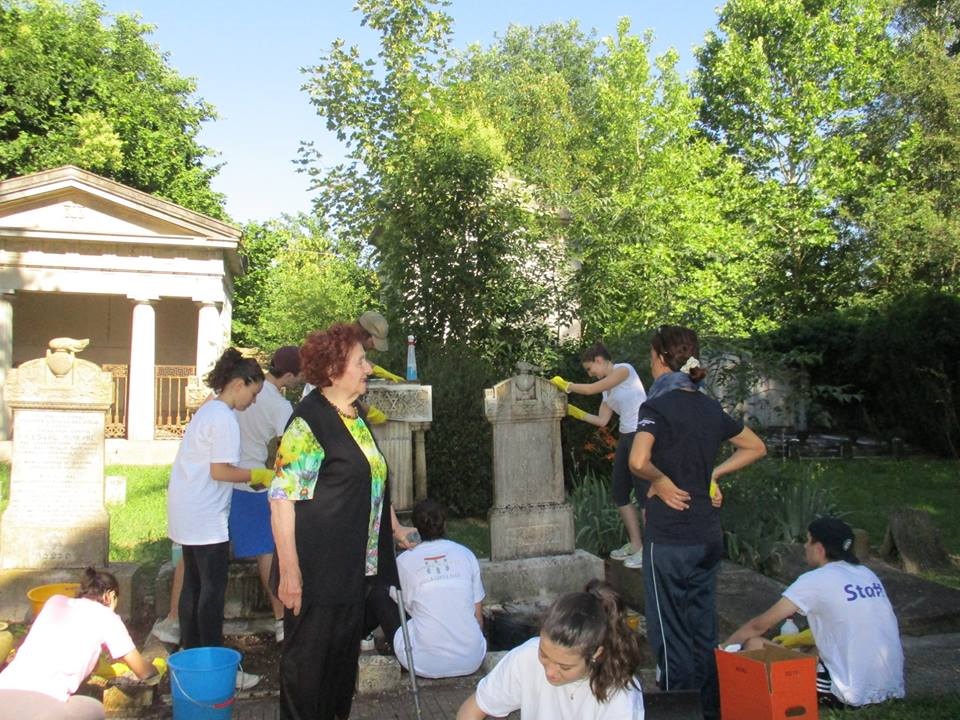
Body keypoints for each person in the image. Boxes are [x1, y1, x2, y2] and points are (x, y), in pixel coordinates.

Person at [269, 322, 412, 720]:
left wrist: (395, 527)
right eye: (360, 361)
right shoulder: (308, 422)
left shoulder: (354, 415)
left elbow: (374, 477)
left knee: (339, 670)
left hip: (354, 571)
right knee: (307, 671)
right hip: (316, 571)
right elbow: (281, 500)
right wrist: (290, 573)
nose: (368, 368)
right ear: (334, 369)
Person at [629, 325, 766, 720]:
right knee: (703, 633)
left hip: (670, 539)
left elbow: (639, 461)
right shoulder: (708, 406)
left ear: (658, 358)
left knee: (670, 636)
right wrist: (714, 475)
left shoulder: (656, 407)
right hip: (707, 536)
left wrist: (659, 480)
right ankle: (709, 711)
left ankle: (677, 713)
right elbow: (755, 446)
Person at [166, 347, 270, 689]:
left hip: (187, 508)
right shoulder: (224, 418)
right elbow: (221, 471)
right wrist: (259, 474)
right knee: (211, 591)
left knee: (193, 587)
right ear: (239, 384)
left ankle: (191, 658)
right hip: (205, 513)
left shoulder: (208, 410)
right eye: (253, 394)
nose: (252, 402)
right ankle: (215, 668)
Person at [723, 517, 905, 708]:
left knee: (754, 644)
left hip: (851, 694)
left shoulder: (815, 580)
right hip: (891, 687)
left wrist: (723, 651)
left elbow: (759, 625)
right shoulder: (867, 574)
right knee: (815, 647)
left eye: (808, 540)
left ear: (819, 548)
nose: (804, 546)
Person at [456, 579, 644, 720]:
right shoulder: (526, 657)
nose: (550, 671)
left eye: (565, 667)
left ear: (596, 653)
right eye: (544, 655)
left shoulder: (619, 694)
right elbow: (473, 709)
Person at [0, 567, 158, 720]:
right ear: (110, 596)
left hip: (4, 689)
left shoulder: (55, 601)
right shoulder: (107, 617)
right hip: (42, 705)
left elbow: (63, 646)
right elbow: (144, 672)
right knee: (93, 708)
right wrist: (157, 669)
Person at [552, 343, 648, 569]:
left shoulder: (625, 370)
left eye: (589, 369)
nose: (590, 374)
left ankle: (651, 550)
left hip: (642, 434)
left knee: (644, 493)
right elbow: (602, 421)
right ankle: (636, 545)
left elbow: (590, 389)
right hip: (626, 437)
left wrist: (567, 386)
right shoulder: (607, 390)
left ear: (599, 360)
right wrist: (573, 412)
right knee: (619, 492)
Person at [230, 345, 302, 644]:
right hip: (256, 483)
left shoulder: (247, 386)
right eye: (300, 375)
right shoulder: (280, 406)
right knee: (268, 550)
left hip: (226, 478)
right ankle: (282, 619)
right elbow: (292, 449)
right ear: (288, 375)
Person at [389, 498, 486, 678]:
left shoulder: (404, 561)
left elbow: (399, 601)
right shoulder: (466, 554)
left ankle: (374, 640)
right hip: (471, 658)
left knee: (384, 592)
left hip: (423, 662)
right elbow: (478, 617)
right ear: (445, 524)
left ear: (414, 527)